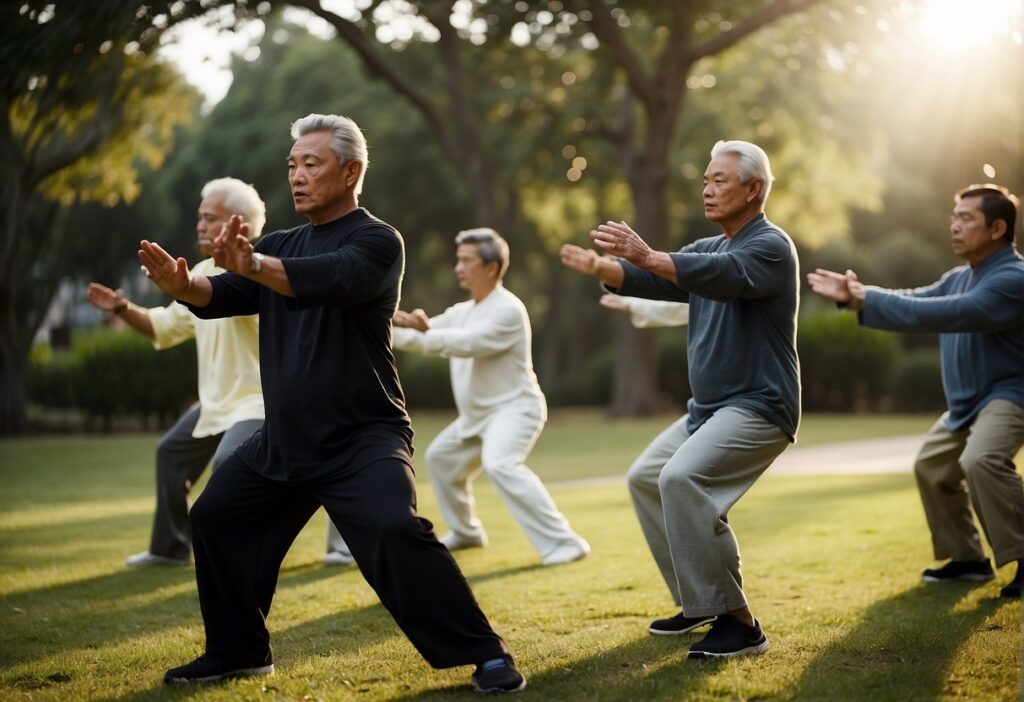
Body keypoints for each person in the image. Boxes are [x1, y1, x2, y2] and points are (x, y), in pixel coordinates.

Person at [137, 113, 525, 692]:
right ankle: (238, 650)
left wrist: (255, 265)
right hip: (284, 440)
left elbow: (327, 277)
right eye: (292, 164)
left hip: (362, 436)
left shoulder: (376, 240)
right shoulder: (278, 244)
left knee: (395, 529)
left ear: (351, 171)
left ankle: (485, 654)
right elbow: (220, 293)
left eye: (310, 164)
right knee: (215, 518)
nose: (296, 175)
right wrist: (183, 287)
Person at [560, 140, 800, 658]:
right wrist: (605, 267)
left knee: (680, 477)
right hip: (709, 410)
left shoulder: (770, 246)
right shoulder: (708, 246)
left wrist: (649, 255)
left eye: (720, 181)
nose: (707, 190)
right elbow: (656, 278)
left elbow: (725, 277)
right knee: (647, 477)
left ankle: (741, 623)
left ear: (754, 189)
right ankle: (701, 602)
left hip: (759, 405)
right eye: (706, 180)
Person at [807, 184, 1024, 599]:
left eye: (966, 219)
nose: (954, 226)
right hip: (968, 403)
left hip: (1010, 394)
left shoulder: (1012, 279)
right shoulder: (960, 277)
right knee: (932, 466)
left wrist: (864, 296)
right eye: (953, 217)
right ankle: (967, 559)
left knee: (981, 459)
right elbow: (917, 298)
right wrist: (858, 300)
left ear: (997, 228)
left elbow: (945, 313)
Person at [326, 228, 590, 567]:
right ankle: (467, 532)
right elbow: (426, 333)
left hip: (515, 411)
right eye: (458, 259)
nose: (458, 267)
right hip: (477, 418)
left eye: (466, 260)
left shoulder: (508, 311)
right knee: (441, 459)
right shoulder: (462, 310)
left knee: (501, 464)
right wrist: (379, 322)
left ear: (491, 268)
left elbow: (460, 343)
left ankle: (565, 543)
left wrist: (421, 331)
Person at [85, 178, 266, 567]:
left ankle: (236, 558)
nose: (200, 225)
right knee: (170, 452)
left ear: (240, 226)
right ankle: (169, 548)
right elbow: (163, 327)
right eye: (199, 217)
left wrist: (240, 267)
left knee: (229, 466)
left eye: (210, 217)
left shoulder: (261, 270)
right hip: (216, 403)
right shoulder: (198, 271)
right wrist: (122, 309)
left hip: (257, 403)